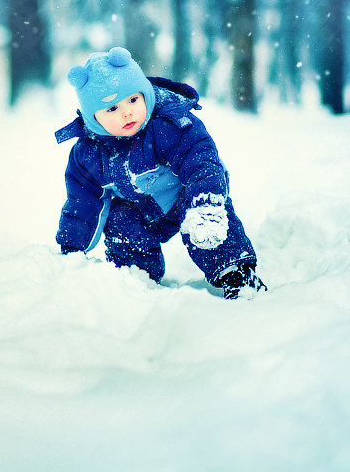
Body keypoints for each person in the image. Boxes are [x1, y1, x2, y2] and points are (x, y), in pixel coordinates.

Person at [55, 46, 266, 299]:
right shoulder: (89, 154)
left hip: (191, 190)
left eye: (133, 100)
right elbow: (82, 203)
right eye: (111, 109)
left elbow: (201, 162)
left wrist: (207, 203)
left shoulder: (167, 125)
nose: (127, 112)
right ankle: (136, 282)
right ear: (93, 118)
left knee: (203, 222)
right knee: (122, 222)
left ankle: (236, 274)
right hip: (147, 206)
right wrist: (72, 250)